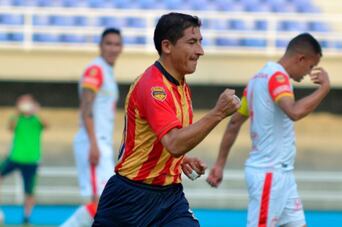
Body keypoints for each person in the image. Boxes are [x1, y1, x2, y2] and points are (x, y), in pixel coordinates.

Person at [93, 12, 241, 227]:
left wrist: (180, 159)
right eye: (192, 42)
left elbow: (164, 141)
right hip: (130, 199)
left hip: (169, 197)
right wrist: (218, 112)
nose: (200, 50)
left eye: (200, 42)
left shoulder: (180, 85)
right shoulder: (154, 87)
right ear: (167, 46)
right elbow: (173, 142)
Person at [207, 33, 331, 227]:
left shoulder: (258, 78)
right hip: (269, 174)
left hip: (281, 174)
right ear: (301, 58)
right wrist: (324, 88)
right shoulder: (278, 77)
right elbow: (294, 112)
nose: (308, 73)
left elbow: (234, 123)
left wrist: (220, 164)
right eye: (310, 67)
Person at [60, 28, 123, 227]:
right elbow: (86, 107)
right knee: (100, 203)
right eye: (108, 43)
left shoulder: (107, 72)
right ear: (100, 46)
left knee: (105, 204)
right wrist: (93, 144)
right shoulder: (95, 70)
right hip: (92, 140)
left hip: (99, 141)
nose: (113, 48)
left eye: (117, 44)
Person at [0, 94, 47, 224]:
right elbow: (10, 127)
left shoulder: (36, 119)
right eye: (22, 102)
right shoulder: (16, 117)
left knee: (29, 191)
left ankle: (26, 216)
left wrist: (36, 112)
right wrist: (18, 112)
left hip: (32, 160)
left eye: (27, 102)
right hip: (15, 157)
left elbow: (46, 125)